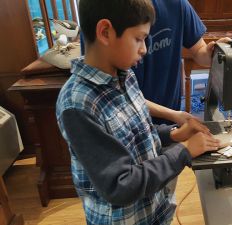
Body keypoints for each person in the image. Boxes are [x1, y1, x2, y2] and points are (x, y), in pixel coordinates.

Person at [56, 0, 220, 224]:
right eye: (139, 39)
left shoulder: (125, 75)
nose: (144, 49)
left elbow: (136, 131)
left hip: (153, 212)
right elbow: (121, 184)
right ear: (105, 32)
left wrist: (172, 134)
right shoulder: (78, 105)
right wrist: (183, 151)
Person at [80, 0, 230, 125]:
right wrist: (172, 116)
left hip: (168, 120)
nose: (144, 50)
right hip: (126, 121)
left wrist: (211, 55)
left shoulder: (177, 4)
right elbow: (112, 92)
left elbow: (199, 51)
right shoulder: (104, 9)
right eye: (138, 39)